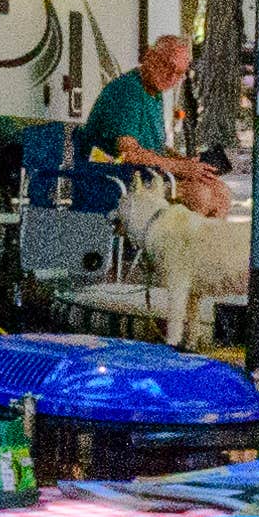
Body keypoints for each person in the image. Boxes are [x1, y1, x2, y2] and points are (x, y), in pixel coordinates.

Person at [81, 31, 245, 336]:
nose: (172, 76)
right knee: (199, 197)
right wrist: (180, 168)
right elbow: (129, 151)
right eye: (168, 66)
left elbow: (154, 148)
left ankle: (195, 272)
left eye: (180, 72)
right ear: (148, 56)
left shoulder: (154, 96)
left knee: (220, 194)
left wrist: (190, 163)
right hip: (119, 182)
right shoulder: (127, 92)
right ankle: (176, 268)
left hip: (148, 178)